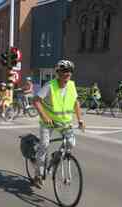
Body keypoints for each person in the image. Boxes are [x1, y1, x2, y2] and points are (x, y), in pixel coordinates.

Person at [33, 60, 84, 188]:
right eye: (64, 71)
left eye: (70, 71)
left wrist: (80, 120)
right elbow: (36, 101)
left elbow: (75, 103)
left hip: (64, 123)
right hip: (48, 122)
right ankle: (38, 175)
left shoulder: (71, 86)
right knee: (44, 145)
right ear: (58, 73)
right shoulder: (50, 85)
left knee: (71, 143)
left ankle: (56, 156)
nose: (67, 73)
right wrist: (44, 117)